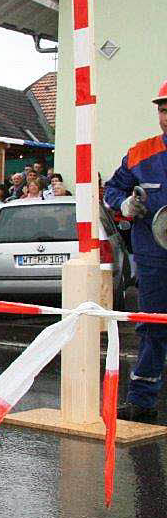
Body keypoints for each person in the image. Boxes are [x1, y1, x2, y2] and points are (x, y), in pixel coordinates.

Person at [104, 82, 167, 423]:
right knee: (152, 326)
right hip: (153, 256)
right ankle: (142, 401)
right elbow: (112, 189)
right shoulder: (141, 154)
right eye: (163, 109)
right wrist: (124, 204)